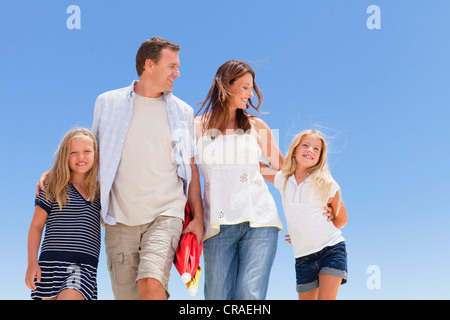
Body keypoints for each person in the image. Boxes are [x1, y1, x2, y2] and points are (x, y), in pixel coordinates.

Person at [38, 37, 203, 300]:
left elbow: (190, 166)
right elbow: (93, 152)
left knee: (151, 283)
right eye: (172, 66)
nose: (177, 73)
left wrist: (198, 217)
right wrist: (59, 170)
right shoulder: (108, 102)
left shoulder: (182, 111)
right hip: (119, 219)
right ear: (149, 65)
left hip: (166, 213)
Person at [195, 60, 284, 300]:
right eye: (245, 87)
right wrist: (193, 218)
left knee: (249, 297)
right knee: (216, 297)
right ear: (226, 86)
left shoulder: (256, 126)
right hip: (217, 223)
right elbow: (188, 176)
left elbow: (285, 172)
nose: (250, 93)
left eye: (251, 87)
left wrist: (315, 200)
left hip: (260, 219)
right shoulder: (197, 126)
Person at [262, 129, 348, 300]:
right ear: (294, 151)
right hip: (303, 256)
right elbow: (261, 168)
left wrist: (329, 217)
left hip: (331, 250)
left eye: (317, 149)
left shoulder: (326, 183)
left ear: (320, 157)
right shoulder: (283, 180)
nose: (310, 150)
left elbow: (342, 220)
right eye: (306, 145)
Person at [26, 128, 101, 300]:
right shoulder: (53, 186)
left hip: (82, 266)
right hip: (50, 265)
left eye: (87, 151)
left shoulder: (101, 192)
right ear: (64, 157)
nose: (81, 157)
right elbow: (36, 226)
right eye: (73, 152)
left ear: (96, 154)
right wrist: (32, 263)